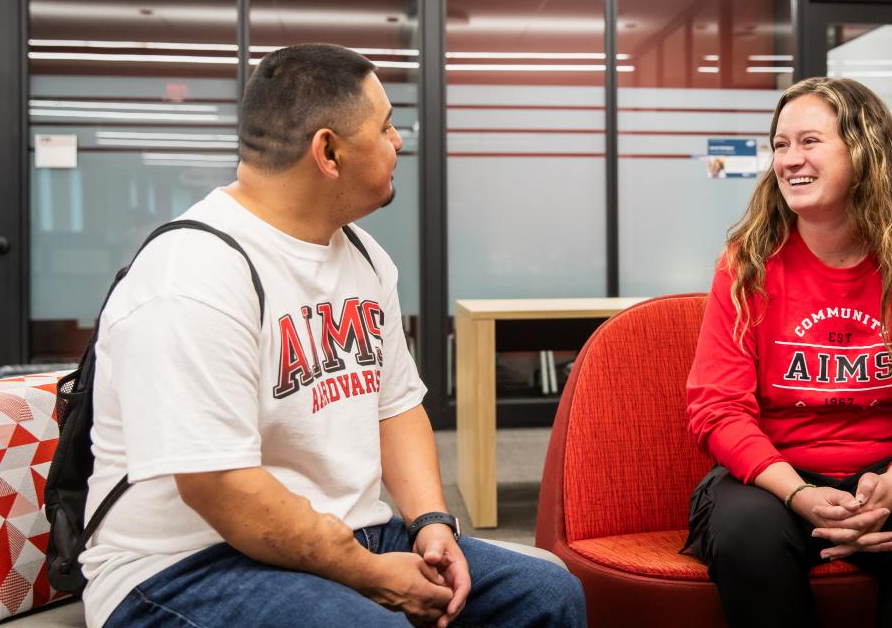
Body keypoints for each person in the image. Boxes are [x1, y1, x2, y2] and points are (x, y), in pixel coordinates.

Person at [82, 44, 585, 628]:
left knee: (547, 595)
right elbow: (222, 489)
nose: (398, 142)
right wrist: (373, 577)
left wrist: (430, 523)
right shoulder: (191, 276)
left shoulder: (365, 257)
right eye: (387, 127)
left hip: (352, 533)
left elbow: (396, 408)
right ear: (328, 151)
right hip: (185, 565)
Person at [685, 77, 892, 627]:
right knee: (746, 538)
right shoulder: (746, 264)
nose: (789, 160)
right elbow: (716, 408)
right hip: (776, 474)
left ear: (865, 152)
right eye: (780, 144)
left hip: (891, 471)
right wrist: (797, 492)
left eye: (809, 141)